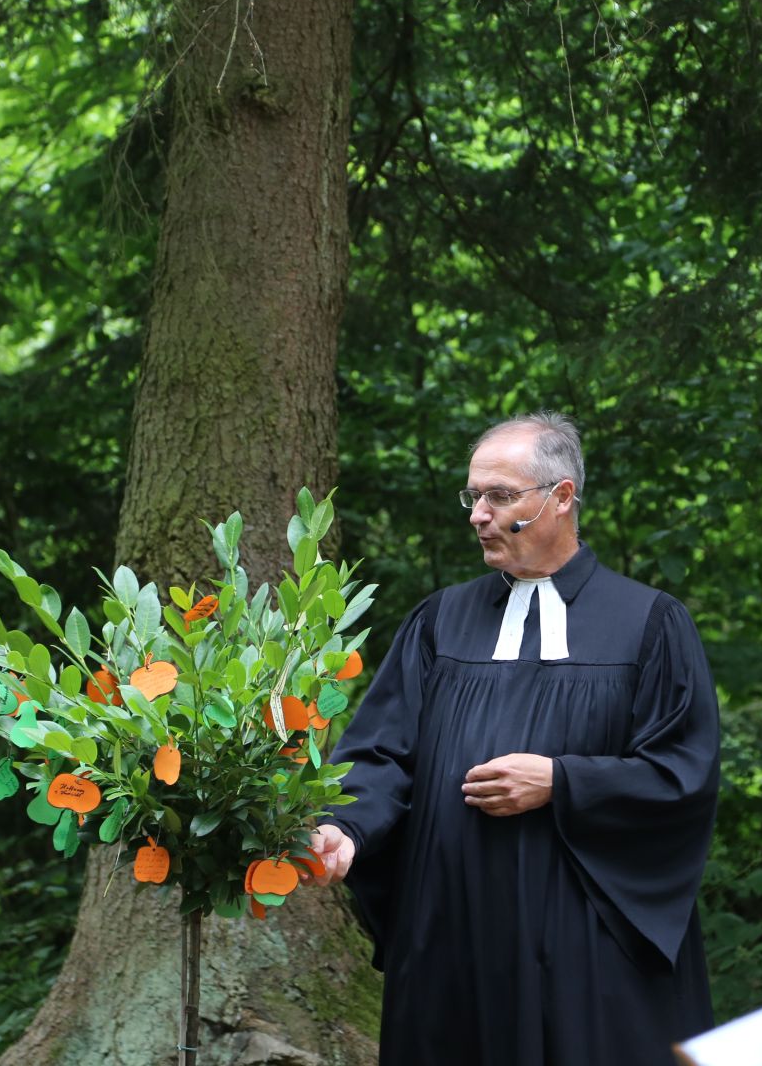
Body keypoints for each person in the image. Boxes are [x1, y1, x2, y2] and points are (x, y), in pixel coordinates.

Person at [305, 411, 721, 1065]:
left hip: (587, 949)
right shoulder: (440, 621)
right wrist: (346, 830)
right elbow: (381, 753)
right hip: (451, 941)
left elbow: (681, 777)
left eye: (500, 496)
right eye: (474, 496)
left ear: (560, 498)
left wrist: (563, 781)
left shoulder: (648, 625)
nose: (478, 514)